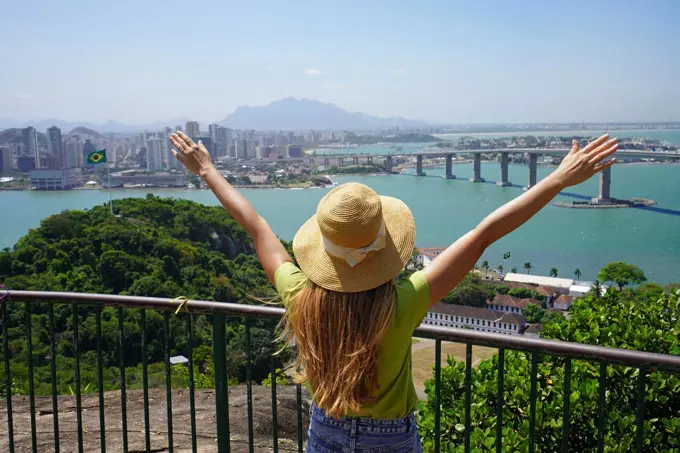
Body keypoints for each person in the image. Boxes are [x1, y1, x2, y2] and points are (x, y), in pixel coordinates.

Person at [169, 131, 618, 453]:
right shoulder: (403, 301)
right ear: (385, 243)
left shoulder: (299, 293)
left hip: (324, 431)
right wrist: (557, 179)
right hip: (393, 438)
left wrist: (207, 169)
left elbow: (255, 226)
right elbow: (484, 234)